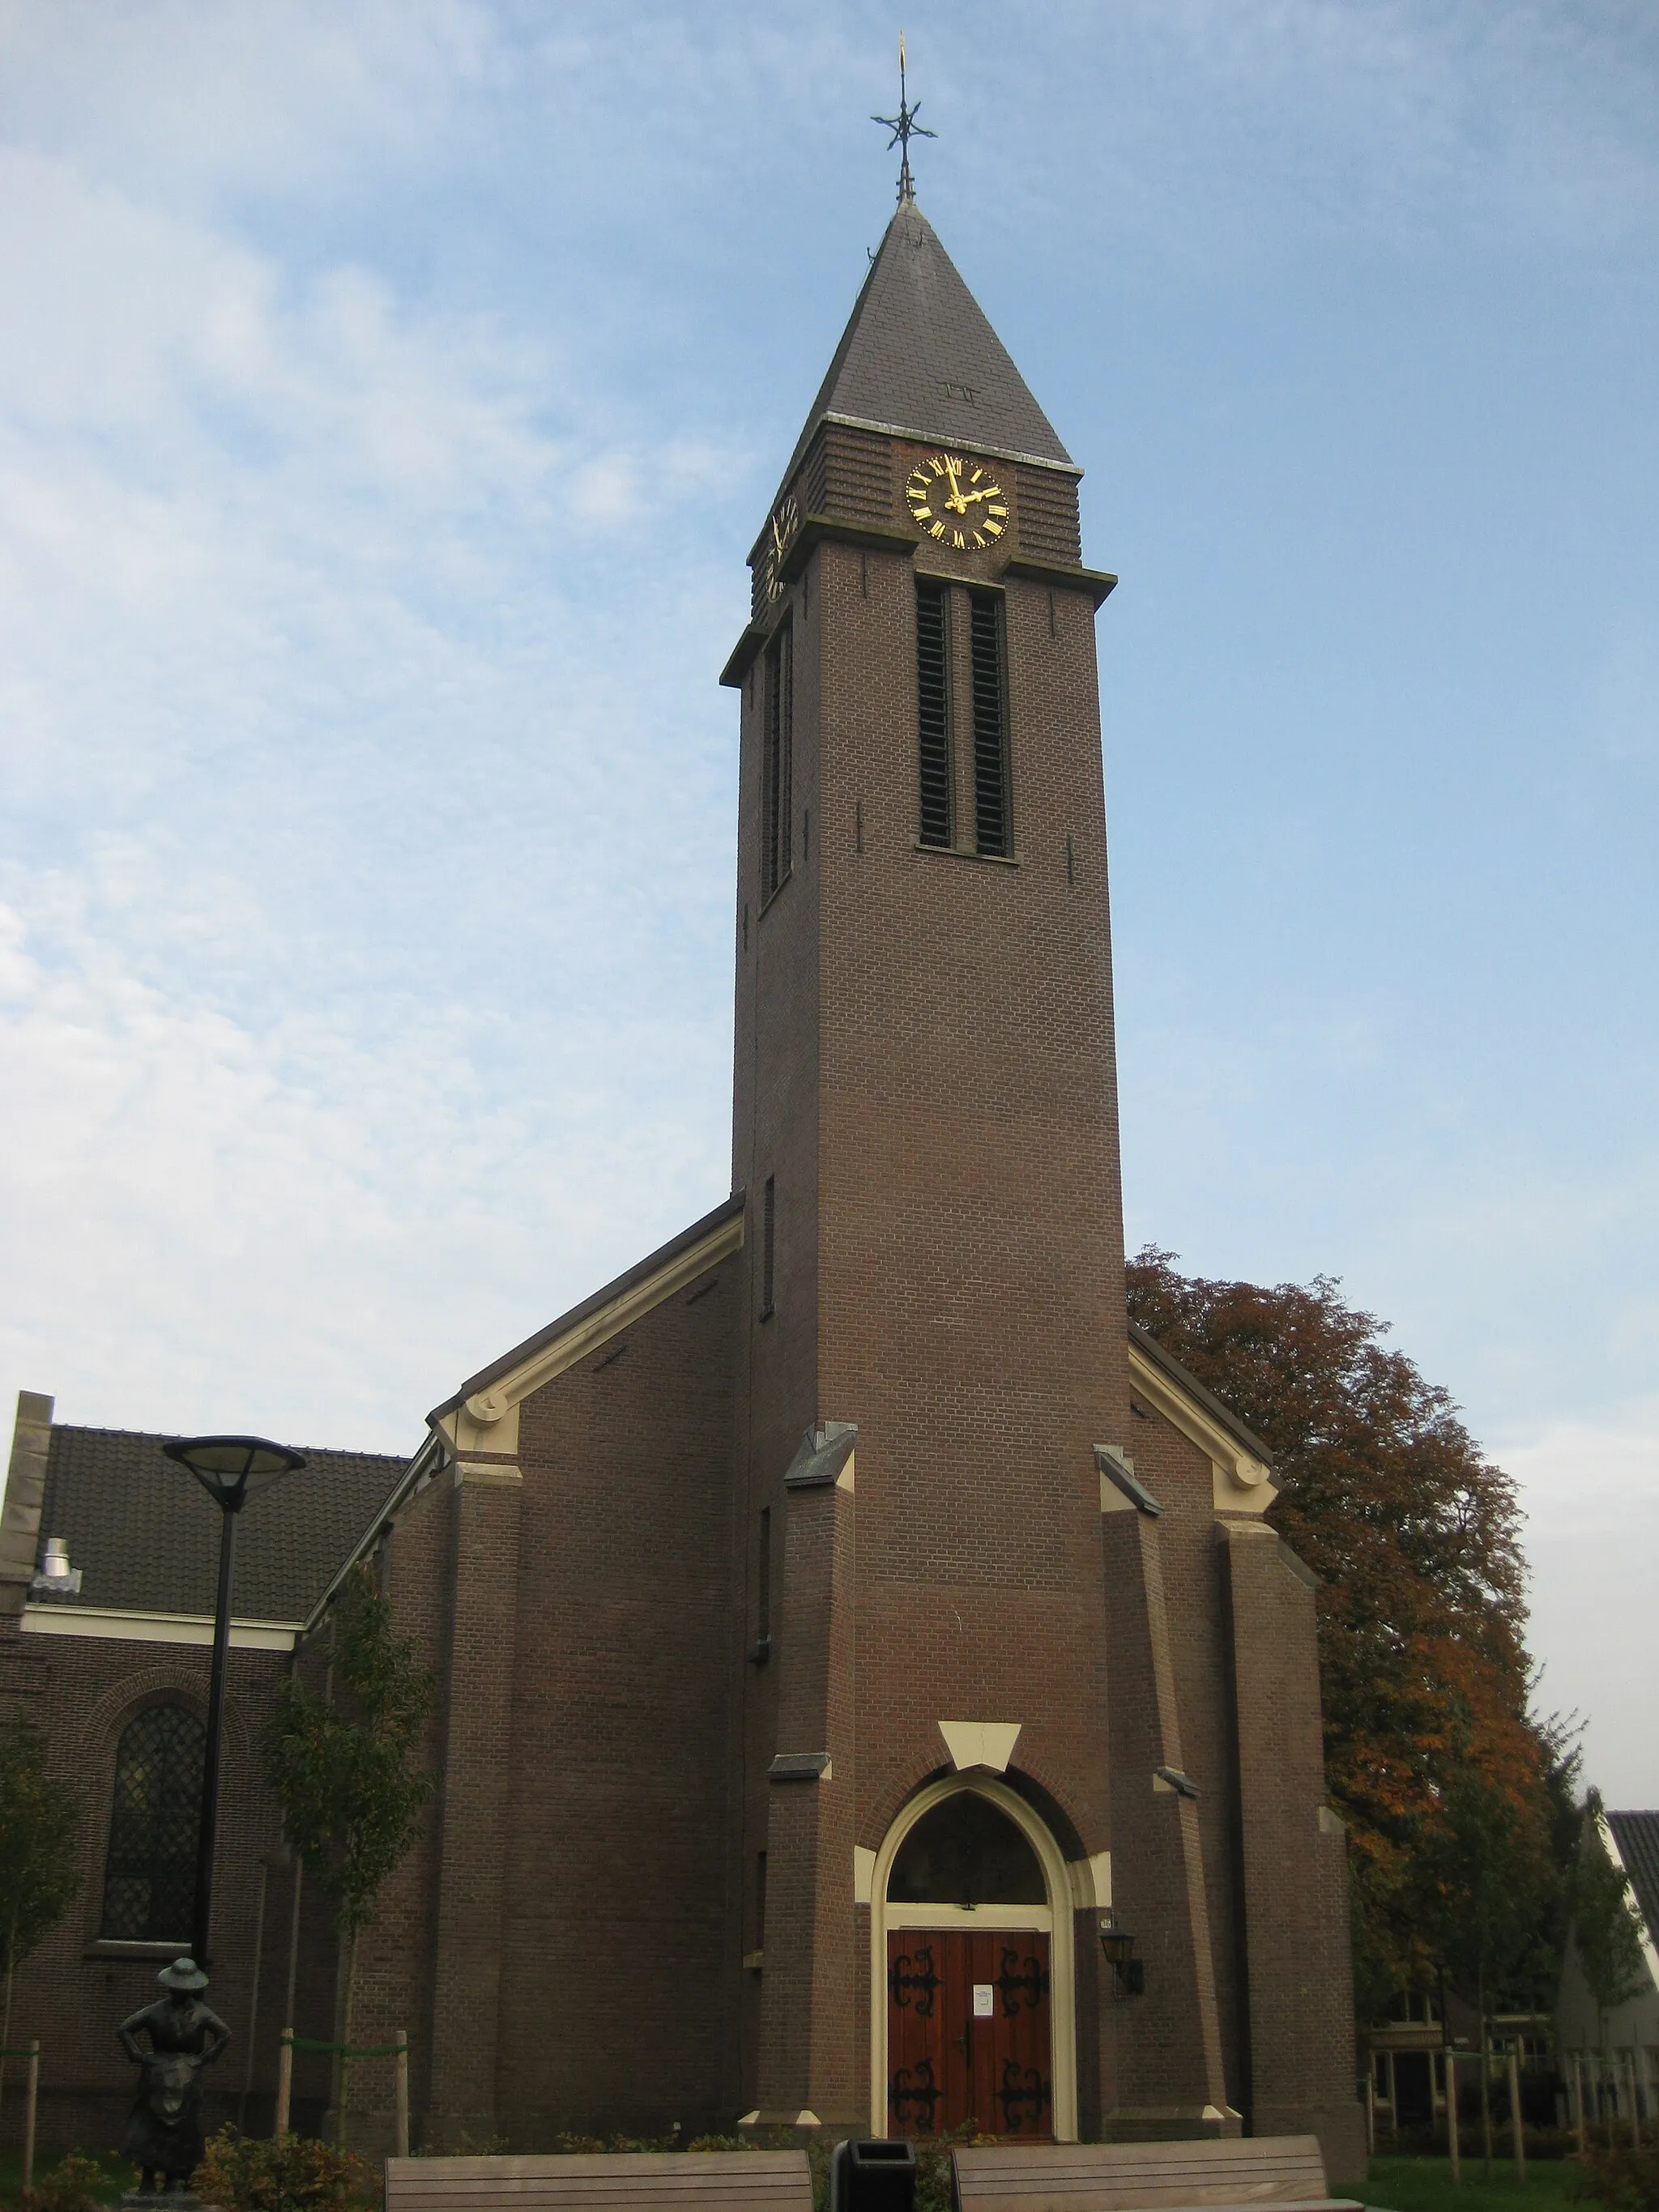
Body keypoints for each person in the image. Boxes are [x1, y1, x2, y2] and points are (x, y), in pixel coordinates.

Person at [116, 1958, 231, 2194]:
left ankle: (171, 2179)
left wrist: (204, 2058)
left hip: (184, 2079)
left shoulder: (200, 2013)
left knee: (181, 2129)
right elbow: (125, 2029)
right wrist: (139, 2056)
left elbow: (224, 2034)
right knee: (150, 2126)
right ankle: (149, 2178)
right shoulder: (159, 2011)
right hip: (159, 2076)